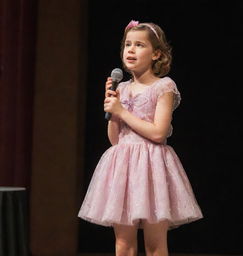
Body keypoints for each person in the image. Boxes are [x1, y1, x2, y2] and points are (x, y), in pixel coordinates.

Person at [78, 20, 203, 256]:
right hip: (123, 169)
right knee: (123, 245)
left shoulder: (163, 86)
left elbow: (158, 132)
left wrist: (123, 112)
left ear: (156, 54)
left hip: (152, 167)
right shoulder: (121, 88)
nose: (131, 50)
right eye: (127, 45)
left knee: (155, 245)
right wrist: (113, 110)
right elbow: (115, 140)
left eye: (139, 45)